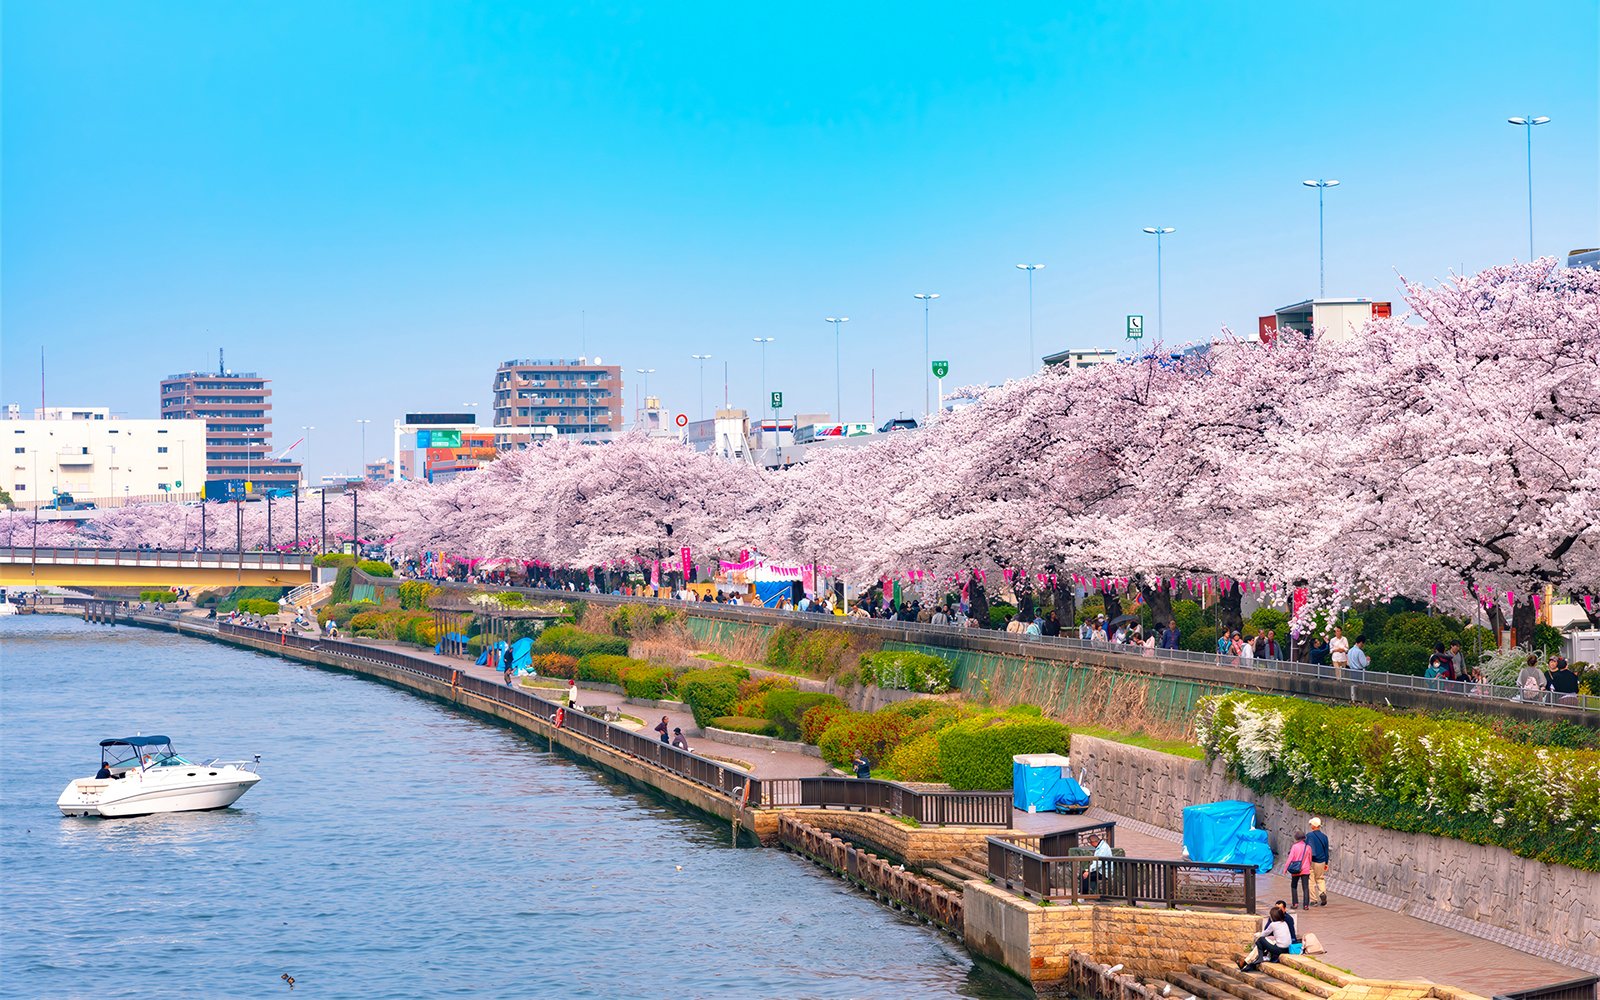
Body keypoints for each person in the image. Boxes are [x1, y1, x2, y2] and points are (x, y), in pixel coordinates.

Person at [1240, 905, 1294, 970]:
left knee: (1260, 940)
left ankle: (1260, 957)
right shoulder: (1284, 923)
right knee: (1266, 940)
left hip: (1279, 949)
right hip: (1287, 948)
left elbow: (1264, 934)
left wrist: (1257, 935)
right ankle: (1250, 961)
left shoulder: (1273, 924)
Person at [1305, 817, 1331, 906]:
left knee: (1311, 880)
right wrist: (1326, 863)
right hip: (1322, 860)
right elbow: (1326, 850)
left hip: (1311, 861)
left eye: (1311, 824)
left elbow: (1307, 849)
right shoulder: (1324, 837)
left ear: (1314, 826)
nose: (1310, 825)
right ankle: (1322, 893)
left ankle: (1313, 900)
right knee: (1320, 878)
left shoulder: (1309, 835)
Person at [1284, 831, 1312, 909]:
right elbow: (1310, 859)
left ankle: (1295, 903)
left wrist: (1285, 868)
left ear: (1296, 838)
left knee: (1294, 886)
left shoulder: (1294, 846)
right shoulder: (1308, 847)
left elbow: (1290, 858)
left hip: (1296, 869)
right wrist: (1308, 867)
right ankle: (1306, 905)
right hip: (1305, 869)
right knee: (1305, 887)